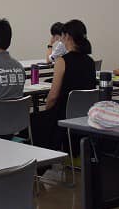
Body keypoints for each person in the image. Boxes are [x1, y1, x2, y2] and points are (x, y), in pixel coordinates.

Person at [30, 20, 96, 151]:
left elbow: (53, 97)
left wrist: (47, 109)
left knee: (33, 120)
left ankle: (44, 164)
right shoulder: (90, 61)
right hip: (85, 114)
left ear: (67, 37)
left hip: (63, 114)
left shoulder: (62, 61)